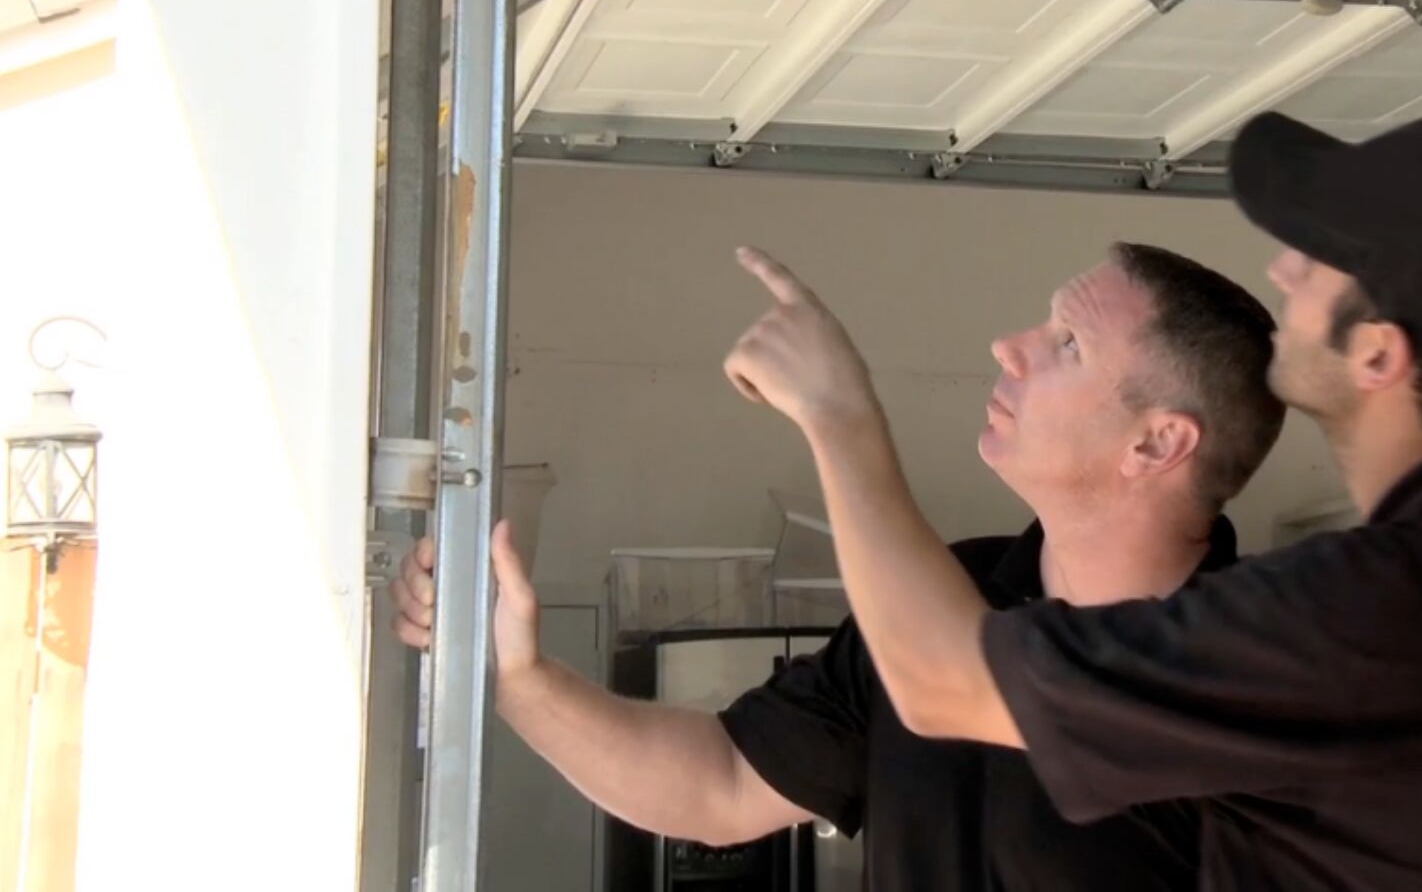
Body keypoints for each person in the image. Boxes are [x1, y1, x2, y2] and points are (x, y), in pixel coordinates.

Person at [723, 113, 1422, 890]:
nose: (1280, 266)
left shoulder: (1372, 611)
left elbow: (944, 686)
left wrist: (838, 414)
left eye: (1314, 262)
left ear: (1379, 353)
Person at [393, 242, 1287, 891]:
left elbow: (952, 683)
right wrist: (514, 679)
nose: (1009, 349)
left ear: (1158, 442)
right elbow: (723, 784)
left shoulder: (1253, 672)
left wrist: (838, 413)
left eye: (1067, 344)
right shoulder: (956, 591)